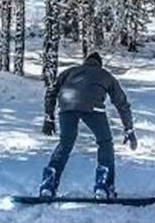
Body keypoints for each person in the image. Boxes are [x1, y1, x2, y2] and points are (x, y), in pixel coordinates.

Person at [39, 52, 136, 200]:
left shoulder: (69, 72)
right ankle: (103, 187)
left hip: (66, 106)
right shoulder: (105, 75)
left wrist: (49, 116)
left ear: (85, 62)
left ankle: (48, 185)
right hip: (93, 108)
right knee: (105, 143)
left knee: (65, 144)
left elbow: (51, 91)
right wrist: (128, 128)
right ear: (99, 64)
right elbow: (121, 102)